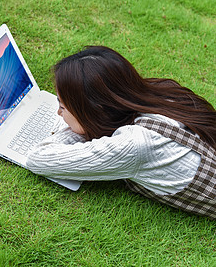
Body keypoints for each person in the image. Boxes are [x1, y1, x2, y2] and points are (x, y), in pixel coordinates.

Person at [26, 46, 216, 219]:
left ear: (94, 109)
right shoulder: (157, 93)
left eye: (62, 106)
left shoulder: (134, 144)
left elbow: (38, 159)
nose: (58, 113)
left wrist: (80, 127)